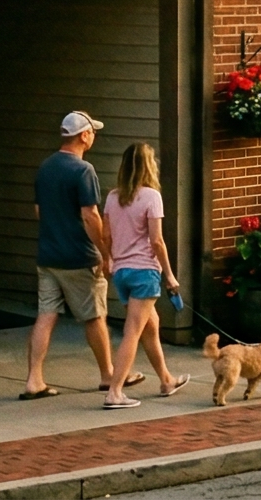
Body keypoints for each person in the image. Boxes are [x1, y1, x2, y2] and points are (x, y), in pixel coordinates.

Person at [22, 111, 129, 400]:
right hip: (79, 257)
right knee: (94, 316)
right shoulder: (83, 170)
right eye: (92, 131)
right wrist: (105, 253)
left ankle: (34, 380)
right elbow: (90, 215)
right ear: (83, 135)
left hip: (47, 256)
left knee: (46, 315)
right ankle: (108, 375)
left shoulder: (45, 167)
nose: (94, 135)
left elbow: (39, 212)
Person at [100, 142, 189, 407]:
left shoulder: (113, 197)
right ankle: (114, 392)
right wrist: (170, 276)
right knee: (133, 332)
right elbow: (157, 241)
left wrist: (111, 258)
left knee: (151, 326)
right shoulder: (151, 196)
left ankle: (166, 379)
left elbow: (105, 234)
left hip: (122, 273)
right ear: (149, 166)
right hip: (144, 273)